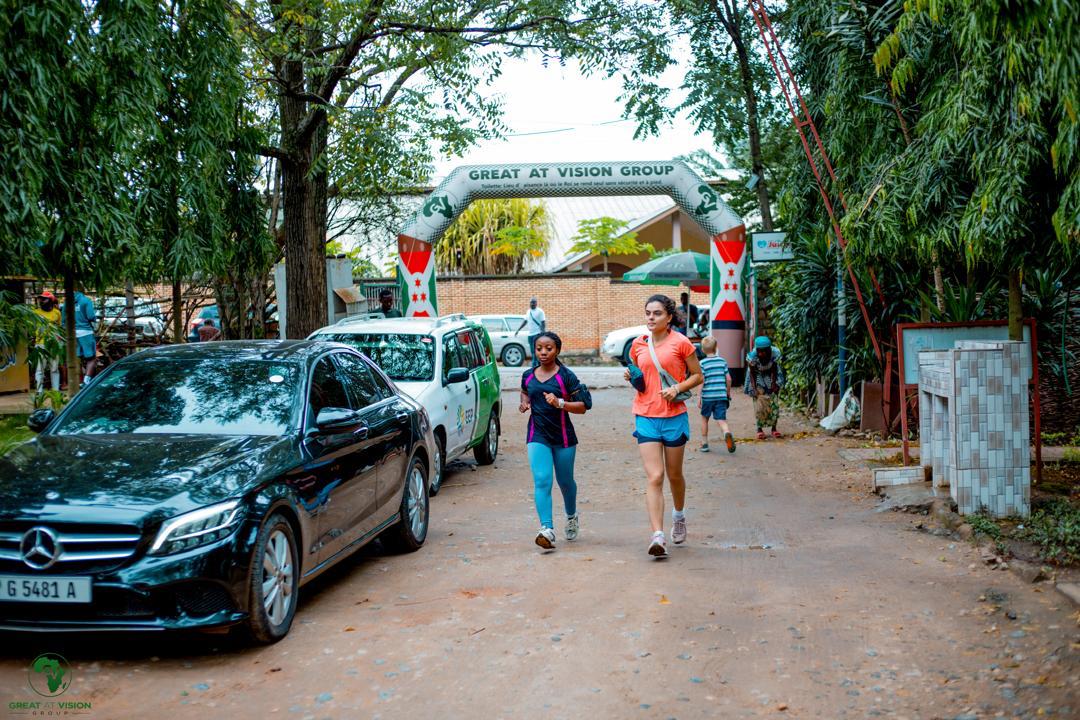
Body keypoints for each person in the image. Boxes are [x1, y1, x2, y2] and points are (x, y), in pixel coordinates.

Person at [624, 294, 703, 557]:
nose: (651, 317)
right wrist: (631, 376)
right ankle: (657, 535)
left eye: (657, 313)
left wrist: (677, 389)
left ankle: (678, 515)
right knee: (655, 476)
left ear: (669, 317)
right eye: (648, 312)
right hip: (645, 415)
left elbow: (697, 376)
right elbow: (640, 375)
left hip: (674, 416)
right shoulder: (638, 344)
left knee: (674, 475)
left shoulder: (681, 343)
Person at [519, 331, 592, 550]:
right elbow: (525, 391)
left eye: (548, 348)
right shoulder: (528, 375)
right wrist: (525, 403)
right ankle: (547, 529)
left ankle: (571, 516)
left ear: (557, 350)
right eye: (539, 348)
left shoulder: (566, 376)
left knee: (565, 481)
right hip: (537, 434)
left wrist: (560, 403)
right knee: (542, 480)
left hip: (563, 436)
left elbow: (583, 407)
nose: (543, 352)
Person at [698, 336, 735, 453]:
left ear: (702, 350)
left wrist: (699, 396)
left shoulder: (702, 363)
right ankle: (726, 432)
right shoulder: (722, 361)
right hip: (721, 396)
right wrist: (727, 393)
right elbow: (728, 379)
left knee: (704, 419)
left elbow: (701, 381)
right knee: (721, 419)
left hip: (707, 397)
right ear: (716, 348)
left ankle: (704, 443)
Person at [744, 336, 785, 439]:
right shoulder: (752, 358)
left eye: (764, 351)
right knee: (759, 402)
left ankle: (774, 428)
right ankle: (759, 429)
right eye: (759, 351)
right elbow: (752, 373)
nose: (762, 354)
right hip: (757, 375)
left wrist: (774, 384)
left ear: (769, 349)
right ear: (756, 350)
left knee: (774, 400)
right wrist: (754, 388)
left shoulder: (775, 354)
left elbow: (774, 369)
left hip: (771, 374)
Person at [62, 289, 98, 383]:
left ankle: (76, 381)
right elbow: (90, 316)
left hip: (72, 333)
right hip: (85, 332)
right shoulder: (86, 300)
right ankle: (86, 381)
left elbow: (63, 320)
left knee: (77, 358)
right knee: (91, 358)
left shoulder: (67, 302)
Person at [32, 291, 62, 390]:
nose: (41, 301)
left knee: (54, 368)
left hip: (54, 344)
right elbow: (32, 326)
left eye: (44, 299)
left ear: (51, 300)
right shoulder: (36, 312)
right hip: (40, 343)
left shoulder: (57, 313)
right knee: (39, 369)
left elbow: (59, 327)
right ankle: (39, 392)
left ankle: (55, 391)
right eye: (41, 299)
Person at [517, 297, 546, 367]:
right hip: (530, 335)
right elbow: (525, 321)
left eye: (533, 302)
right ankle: (536, 364)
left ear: (536, 303)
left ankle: (535, 364)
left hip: (537, 334)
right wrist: (518, 330)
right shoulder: (528, 311)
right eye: (531, 302)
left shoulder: (540, 311)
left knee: (536, 350)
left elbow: (543, 323)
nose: (532, 304)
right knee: (532, 351)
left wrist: (543, 333)